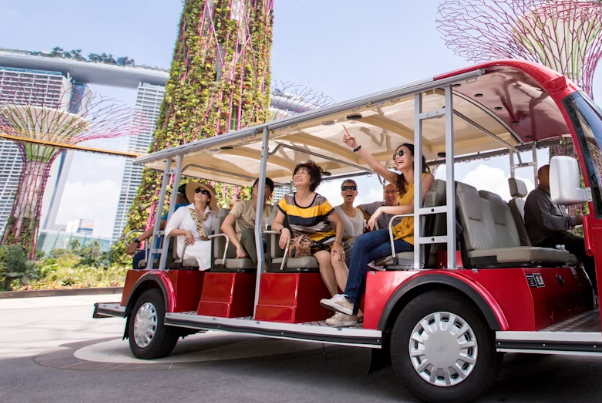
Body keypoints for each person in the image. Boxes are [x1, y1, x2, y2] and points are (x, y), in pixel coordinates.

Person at [321, 130, 434, 327]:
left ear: (414, 157)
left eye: (401, 153)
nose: (397, 157)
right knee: (361, 242)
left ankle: (351, 307)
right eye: (395, 155)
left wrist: (382, 209)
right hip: (399, 232)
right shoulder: (399, 181)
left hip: (412, 238)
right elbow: (375, 165)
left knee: (367, 253)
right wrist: (355, 145)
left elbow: (415, 207)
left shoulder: (426, 178)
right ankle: (350, 304)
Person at [271, 161, 348, 297]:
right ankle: (336, 299)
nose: (298, 175)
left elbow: (339, 222)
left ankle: (351, 303)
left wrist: (337, 243)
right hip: (307, 244)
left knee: (336, 257)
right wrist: (284, 230)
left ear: (311, 180)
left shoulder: (320, 200)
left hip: (327, 240)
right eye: (296, 172)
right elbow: (275, 223)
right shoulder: (287, 199)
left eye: (303, 173)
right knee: (324, 257)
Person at [524, 164, 597, 292]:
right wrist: (574, 220)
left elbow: (563, 222)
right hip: (547, 240)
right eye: (548, 173)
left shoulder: (555, 198)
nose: (552, 176)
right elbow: (547, 222)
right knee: (587, 247)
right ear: (538, 178)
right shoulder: (536, 196)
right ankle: (598, 289)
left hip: (560, 237)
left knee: (592, 243)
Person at [126, 183, 190, 270]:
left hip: (166, 252)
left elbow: (160, 225)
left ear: (179, 196)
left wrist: (137, 240)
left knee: (138, 258)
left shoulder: (178, 208)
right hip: (187, 250)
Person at [220, 177, 275, 265]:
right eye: (258, 186)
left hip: (263, 245)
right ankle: (260, 265)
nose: (260, 188)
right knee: (249, 232)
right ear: (253, 190)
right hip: (244, 243)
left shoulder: (271, 211)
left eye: (264, 186)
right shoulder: (242, 205)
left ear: (270, 194)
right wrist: (238, 247)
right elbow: (225, 225)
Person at [165, 182, 218, 270]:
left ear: (209, 199)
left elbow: (216, 233)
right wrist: (185, 232)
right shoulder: (182, 210)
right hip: (187, 246)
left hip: (205, 243)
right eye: (197, 191)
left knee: (216, 246)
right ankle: (212, 272)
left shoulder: (212, 215)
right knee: (212, 247)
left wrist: (218, 218)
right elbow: (168, 231)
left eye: (204, 192)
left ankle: (212, 272)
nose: (199, 194)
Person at [334, 180, 366, 255]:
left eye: (352, 188)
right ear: (341, 193)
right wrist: (355, 239)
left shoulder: (359, 212)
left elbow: (363, 231)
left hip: (360, 246)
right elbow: (334, 234)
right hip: (344, 248)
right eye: (345, 188)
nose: (348, 190)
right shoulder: (335, 211)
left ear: (356, 193)